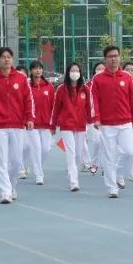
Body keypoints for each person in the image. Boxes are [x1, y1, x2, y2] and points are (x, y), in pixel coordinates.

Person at [0, 47, 35, 205]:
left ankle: (11, 185)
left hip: (17, 125)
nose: (6, 59)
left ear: (12, 59)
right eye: (3, 57)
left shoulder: (21, 79)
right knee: (0, 160)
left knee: (17, 161)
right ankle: (5, 192)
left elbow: (28, 100)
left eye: (9, 57)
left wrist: (29, 117)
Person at [90, 46, 133, 198]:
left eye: (116, 56)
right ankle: (112, 187)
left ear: (119, 58)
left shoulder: (126, 77)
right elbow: (95, 101)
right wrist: (96, 118)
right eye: (110, 56)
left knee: (129, 152)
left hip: (125, 122)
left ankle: (118, 174)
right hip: (107, 124)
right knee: (109, 156)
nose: (114, 58)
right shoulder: (97, 79)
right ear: (105, 59)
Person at [51, 62, 91, 192]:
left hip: (80, 125)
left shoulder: (85, 89)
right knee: (71, 152)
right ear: (68, 73)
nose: (75, 73)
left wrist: (92, 122)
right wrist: (53, 124)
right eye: (72, 71)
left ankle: (73, 172)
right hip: (66, 125)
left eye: (77, 70)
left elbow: (89, 107)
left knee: (79, 154)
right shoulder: (61, 89)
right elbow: (56, 108)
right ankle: (74, 181)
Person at [25, 60, 55, 186]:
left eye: (40, 68)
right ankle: (39, 175)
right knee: (36, 148)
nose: (38, 71)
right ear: (31, 71)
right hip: (32, 124)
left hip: (46, 123)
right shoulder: (27, 86)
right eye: (35, 68)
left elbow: (54, 105)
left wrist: (54, 122)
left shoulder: (49, 86)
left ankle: (37, 167)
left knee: (46, 149)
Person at [84, 62, 106, 175]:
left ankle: (103, 166)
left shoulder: (108, 84)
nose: (100, 70)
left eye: (103, 68)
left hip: (107, 118)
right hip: (91, 119)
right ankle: (94, 163)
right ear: (94, 71)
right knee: (97, 141)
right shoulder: (87, 85)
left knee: (105, 143)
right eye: (98, 69)